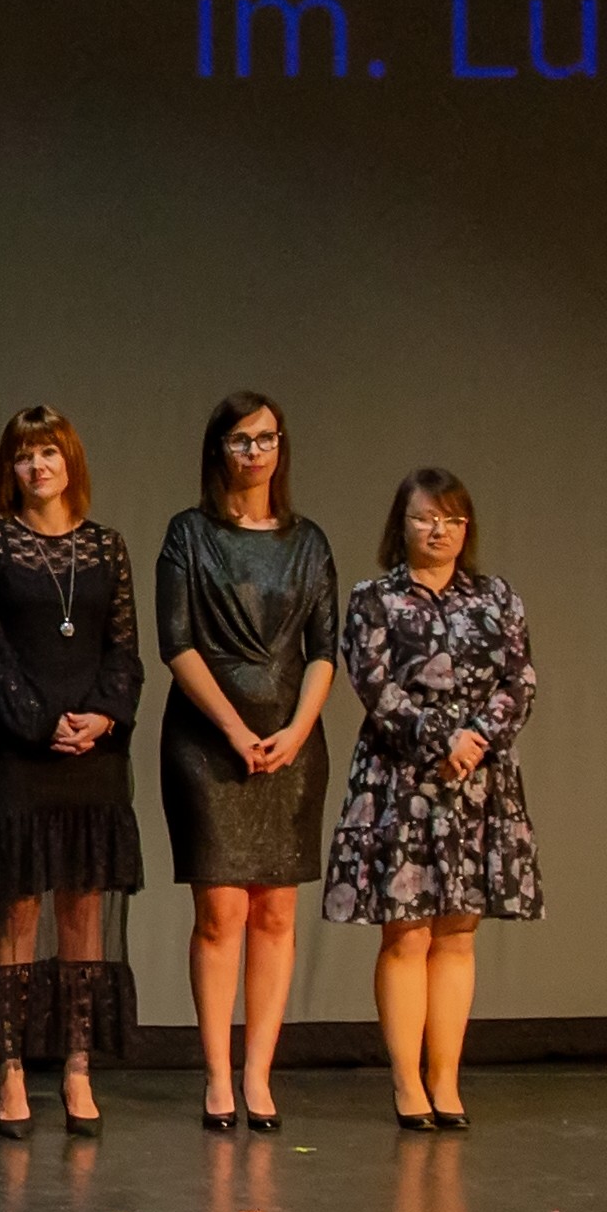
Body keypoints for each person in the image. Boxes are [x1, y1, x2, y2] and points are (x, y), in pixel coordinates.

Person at [325, 468, 540, 1130]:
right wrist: (440, 738)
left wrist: (476, 739)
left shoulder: (497, 597)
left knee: (457, 932)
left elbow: (520, 679)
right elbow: (373, 682)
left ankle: (446, 1079)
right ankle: (406, 1081)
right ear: (403, 525)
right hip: (403, 778)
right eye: (425, 518)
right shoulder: (375, 599)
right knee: (407, 931)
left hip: (478, 780)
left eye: (451, 519)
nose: (438, 530)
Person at [0, 406, 142, 1139]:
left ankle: (77, 1066)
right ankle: (10, 1069)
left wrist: (102, 717)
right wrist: (41, 723)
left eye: (49, 453)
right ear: (10, 468)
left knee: (82, 907)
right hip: (17, 750)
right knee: (17, 906)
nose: (38, 467)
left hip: (94, 756)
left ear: (71, 462)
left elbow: (123, 649)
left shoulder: (106, 547)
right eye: (25, 455)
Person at [157, 389, 338, 1135]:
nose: (255, 451)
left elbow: (325, 648)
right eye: (241, 439)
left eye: (266, 438)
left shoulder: (308, 540)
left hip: (292, 741)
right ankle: (217, 1075)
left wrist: (296, 729)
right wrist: (234, 729)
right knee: (221, 911)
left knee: (276, 911)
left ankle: (259, 1073)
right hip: (208, 741)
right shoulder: (189, 533)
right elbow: (175, 641)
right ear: (218, 450)